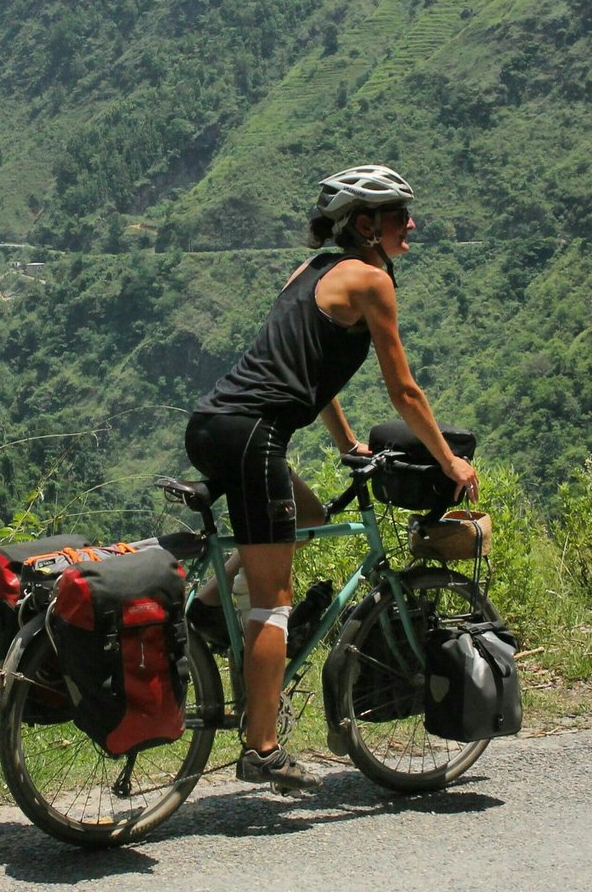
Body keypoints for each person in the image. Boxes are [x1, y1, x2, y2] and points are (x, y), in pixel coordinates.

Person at [183, 165, 479, 793]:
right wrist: (449, 461)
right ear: (367, 225)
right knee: (275, 600)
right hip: (254, 435)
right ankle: (261, 750)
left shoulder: (311, 269)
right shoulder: (371, 280)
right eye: (400, 216)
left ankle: (210, 608)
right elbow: (403, 389)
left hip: (215, 424)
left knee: (310, 518)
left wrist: (347, 443)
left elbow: (308, 372)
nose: (411, 226)